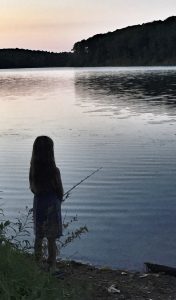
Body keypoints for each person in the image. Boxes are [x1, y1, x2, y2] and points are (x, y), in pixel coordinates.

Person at [29, 136, 63, 271]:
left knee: (39, 236)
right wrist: (59, 200)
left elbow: (32, 188)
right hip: (52, 203)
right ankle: (52, 265)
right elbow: (59, 190)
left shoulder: (33, 170)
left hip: (39, 202)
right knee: (51, 238)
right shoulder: (55, 170)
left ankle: (37, 264)